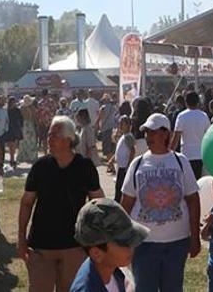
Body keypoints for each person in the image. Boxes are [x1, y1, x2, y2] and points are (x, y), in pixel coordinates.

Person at [18, 116, 104, 292]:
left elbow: (99, 204)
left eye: (55, 135)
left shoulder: (85, 167)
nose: (49, 139)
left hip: (74, 246)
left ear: (69, 139)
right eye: (49, 135)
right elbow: (27, 203)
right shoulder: (40, 167)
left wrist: (97, 239)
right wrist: (21, 237)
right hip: (41, 246)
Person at [119, 113, 201, 292]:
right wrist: (121, 239)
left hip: (177, 243)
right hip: (144, 244)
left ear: (166, 134)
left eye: (153, 132)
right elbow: (126, 203)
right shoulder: (137, 164)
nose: (148, 136)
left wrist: (195, 237)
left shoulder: (181, 162)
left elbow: (193, 200)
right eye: (147, 132)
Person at [70, 198, 150, 292]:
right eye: (124, 242)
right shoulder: (87, 288)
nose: (132, 246)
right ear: (97, 253)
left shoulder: (110, 269)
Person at [172, 91, 211, 179]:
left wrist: (170, 153)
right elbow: (208, 136)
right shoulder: (204, 116)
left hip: (186, 154)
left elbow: (176, 137)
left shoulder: (181, 116)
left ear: (186, 102)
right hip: (201, 154)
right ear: (198, 102)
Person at [110, 116, 135, 201]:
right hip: (120, 166)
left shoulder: (128, 137)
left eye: (122, 124)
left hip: (124, 167)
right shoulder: (123, 136)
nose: (120, 126)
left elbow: (132, 150)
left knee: (120, 187)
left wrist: (128, 165)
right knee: (118, 186)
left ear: (128, 125)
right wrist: (112, 159)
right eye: (119, 124)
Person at [19, 95, 40, 164]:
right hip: (30, 124)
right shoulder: (32, 108)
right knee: (32, 140)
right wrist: (37, 124)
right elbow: (34, 117)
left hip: (24, 125)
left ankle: (23, 156)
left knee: (24, 140)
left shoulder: (21, 108)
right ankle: (31, 156)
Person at [95, 94, 118, 158]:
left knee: (106, 145)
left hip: (105, 128)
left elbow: (99, 117)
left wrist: (95, 125)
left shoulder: (103, 108)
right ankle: (112, 159)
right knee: (111, 144)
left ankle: (109, 160)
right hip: (112, 127)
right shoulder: (113, 107)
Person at [6, 96, 24, 168]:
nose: (13, 103)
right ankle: (12, 159)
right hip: (9, 128)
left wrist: (21, 126)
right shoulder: (7, 110)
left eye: (14, 102)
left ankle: (13, 159)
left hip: (16, 128)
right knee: (11, 145)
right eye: (12, 102)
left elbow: (21, 118)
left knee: (15, 145)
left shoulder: (17, 110)